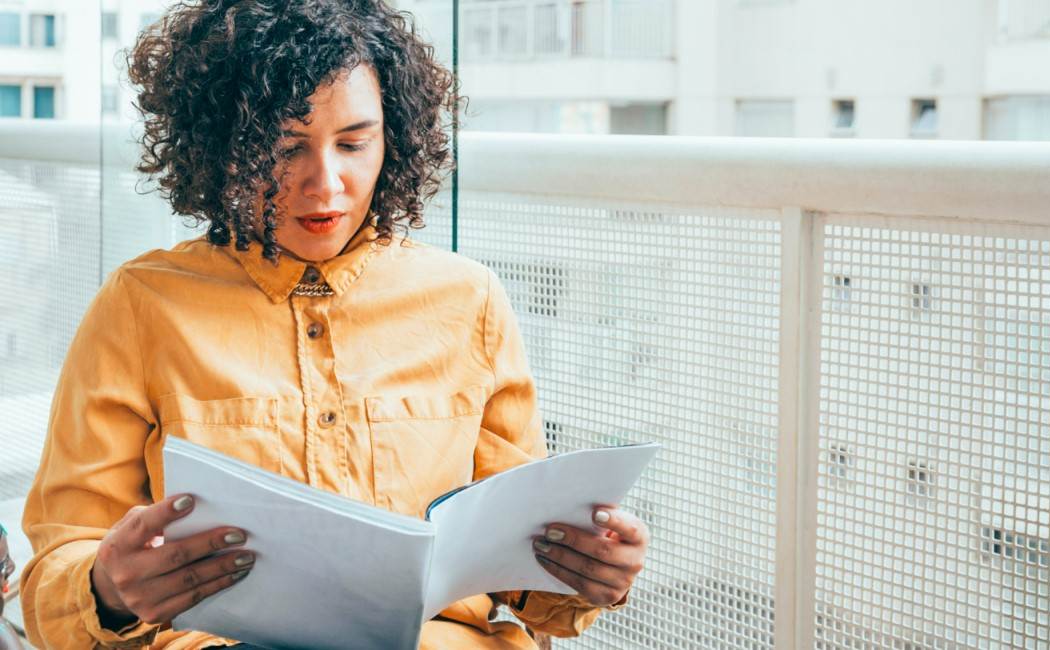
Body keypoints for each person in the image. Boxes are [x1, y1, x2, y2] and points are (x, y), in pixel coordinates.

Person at [19, 1, 648, 648]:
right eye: (285, 148)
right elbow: (51, 583)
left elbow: (528, 579)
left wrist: (589, 571)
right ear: (220, 147)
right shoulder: (142, 306)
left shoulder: (469, 300)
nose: (326, 184)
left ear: (393, 136)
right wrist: (108, 588)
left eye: (354, 142)